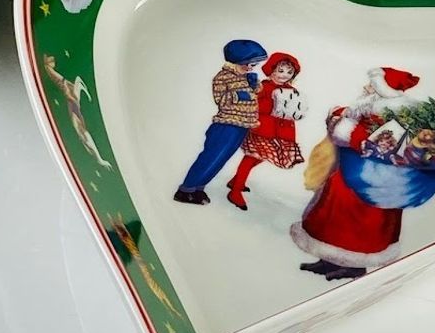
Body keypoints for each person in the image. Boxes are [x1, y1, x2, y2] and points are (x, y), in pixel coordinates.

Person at [291, 67, 420, 281]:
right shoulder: (372, 110)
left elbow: (366, 142)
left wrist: (343, 126)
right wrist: (340, 118)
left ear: (383, 91)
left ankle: (353, 266)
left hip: (368, 181)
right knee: (334, 216)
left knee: (357, 222)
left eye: (372, 85)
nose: (366, 88)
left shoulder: (391, 117)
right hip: (351, 174)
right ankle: (329, 259)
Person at [174, 39, 266, 205]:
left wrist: (254, 85)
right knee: (211, 157)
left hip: (242, 125)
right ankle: (186, 189)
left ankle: (198, 188)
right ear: (238, 62)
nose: (251, 68)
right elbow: (221, 100)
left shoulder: (245, 77)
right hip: (226, 125)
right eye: (248, 64)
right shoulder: (223, 77)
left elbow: (256, 93)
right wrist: (238, 95)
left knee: (221, 160)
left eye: (254, 65)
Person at [226, 52, 305, 211]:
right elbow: (253, 104)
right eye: (280, 71)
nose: (284, 75)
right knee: (251, 157)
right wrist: (272, 106)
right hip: (262, 129)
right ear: (271, 70)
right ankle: (235, 191)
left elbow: (293, 110)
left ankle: (236, 181)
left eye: (289, 72)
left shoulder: (291, 90)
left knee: (263, 156)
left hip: (280, 132)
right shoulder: (263, 86)